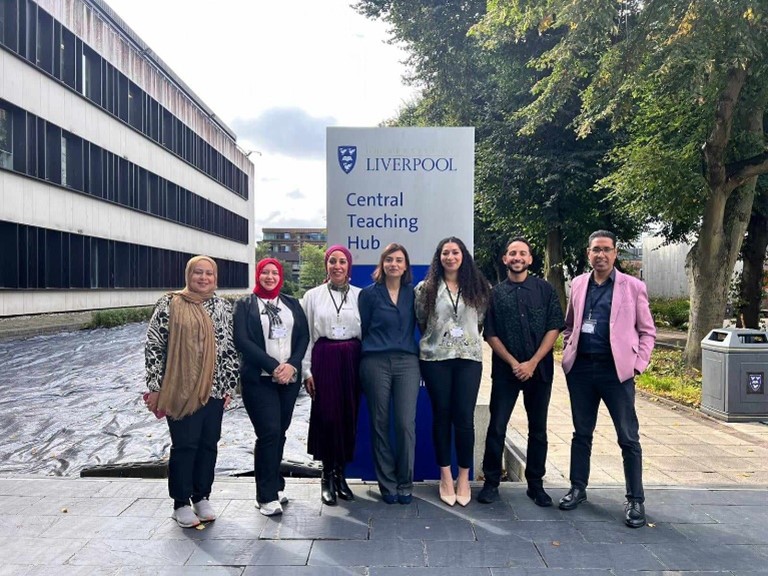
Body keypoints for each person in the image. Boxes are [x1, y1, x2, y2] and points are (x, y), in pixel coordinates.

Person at [558, 230, 656, 528]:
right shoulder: (577, 284)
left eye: (607, 250)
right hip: (582, 371)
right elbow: (570, 324)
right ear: (588, 253)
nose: (601, 255)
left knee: (628, 436)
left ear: (615, 253)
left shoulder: (633, 287)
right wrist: (568, 351)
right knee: (581, 432)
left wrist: (637, 365)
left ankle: (635, 499)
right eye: (595, 250)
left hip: (617, 373)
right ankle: (578, 488)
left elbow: (647, 331)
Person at [144, 255, 239, 529]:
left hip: (215, 389)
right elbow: (154, 346)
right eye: (198, 273)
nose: (204, 278)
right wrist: (155, 387)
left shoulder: (222, 306)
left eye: (209, 274)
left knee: (208, 444)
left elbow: (229, 350)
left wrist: (228, 385)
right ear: (189, 275)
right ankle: (181, 502)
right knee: (185, 445)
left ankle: (201, 496)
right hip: (179, 388)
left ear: (216, 278)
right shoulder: (169, 303)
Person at [477, 238, 564, 508]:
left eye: (522, 253)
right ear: (505, 259)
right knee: (497, 426)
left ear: (530, 259)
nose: (517, 257)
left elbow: (554, 327)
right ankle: (491, 482)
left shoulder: (545, 290)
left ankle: (535, 484)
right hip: (505, 372)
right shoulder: (494, 294)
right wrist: (515, 362)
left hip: (539, 372)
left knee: (538, 429)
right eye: (512, 253)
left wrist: (533, 362)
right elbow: (489, 333)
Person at [415, 237, 490, 507]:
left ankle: (463, 477)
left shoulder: (479, 288)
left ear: (463, 256)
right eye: (445, 253)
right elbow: (422, 320)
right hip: (436, 359)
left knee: (464, 419)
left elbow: (479, 320)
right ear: (439, 257)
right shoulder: (426, 288)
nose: (450, 257)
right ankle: (445, 475)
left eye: (455, 252)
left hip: (468, 358)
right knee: (441, 416)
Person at [233, 258, 309, 516]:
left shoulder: (291, 304)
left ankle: (275, 485)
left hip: (288, 379)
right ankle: (264, 496)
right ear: (258, 275)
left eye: (274, 272)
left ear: (281, 276)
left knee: (281, 432)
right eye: (264, 272)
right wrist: (273, 365)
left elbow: (303, 337)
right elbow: (242, 340)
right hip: (260, 379)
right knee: (269, 432)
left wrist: (292, 365)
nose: (269, 276)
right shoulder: (245, 305)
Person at [358, 243, 420, 504]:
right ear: (382, 264)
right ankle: (387, 483)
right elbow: (363, 328)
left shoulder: (414, 295)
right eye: (389, 260)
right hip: (375, 362)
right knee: (379, 423)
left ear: (405, 266)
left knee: (405, 424)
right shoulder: (369, 295)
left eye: (399, 260)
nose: (394, 264)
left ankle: (405, 482)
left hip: (407, 362)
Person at [302, 245, 362, 505]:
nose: (337, 266)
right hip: (324, 356)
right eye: (332, 261)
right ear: (327, 265)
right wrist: (306, 370)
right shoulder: (312, 296)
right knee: (327, 416)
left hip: (352, 357)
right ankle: (326, 476)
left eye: (342, 262)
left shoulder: (360, 296)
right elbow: (305, 336)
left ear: (349, 266)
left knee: (348, 415)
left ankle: (341, 475)